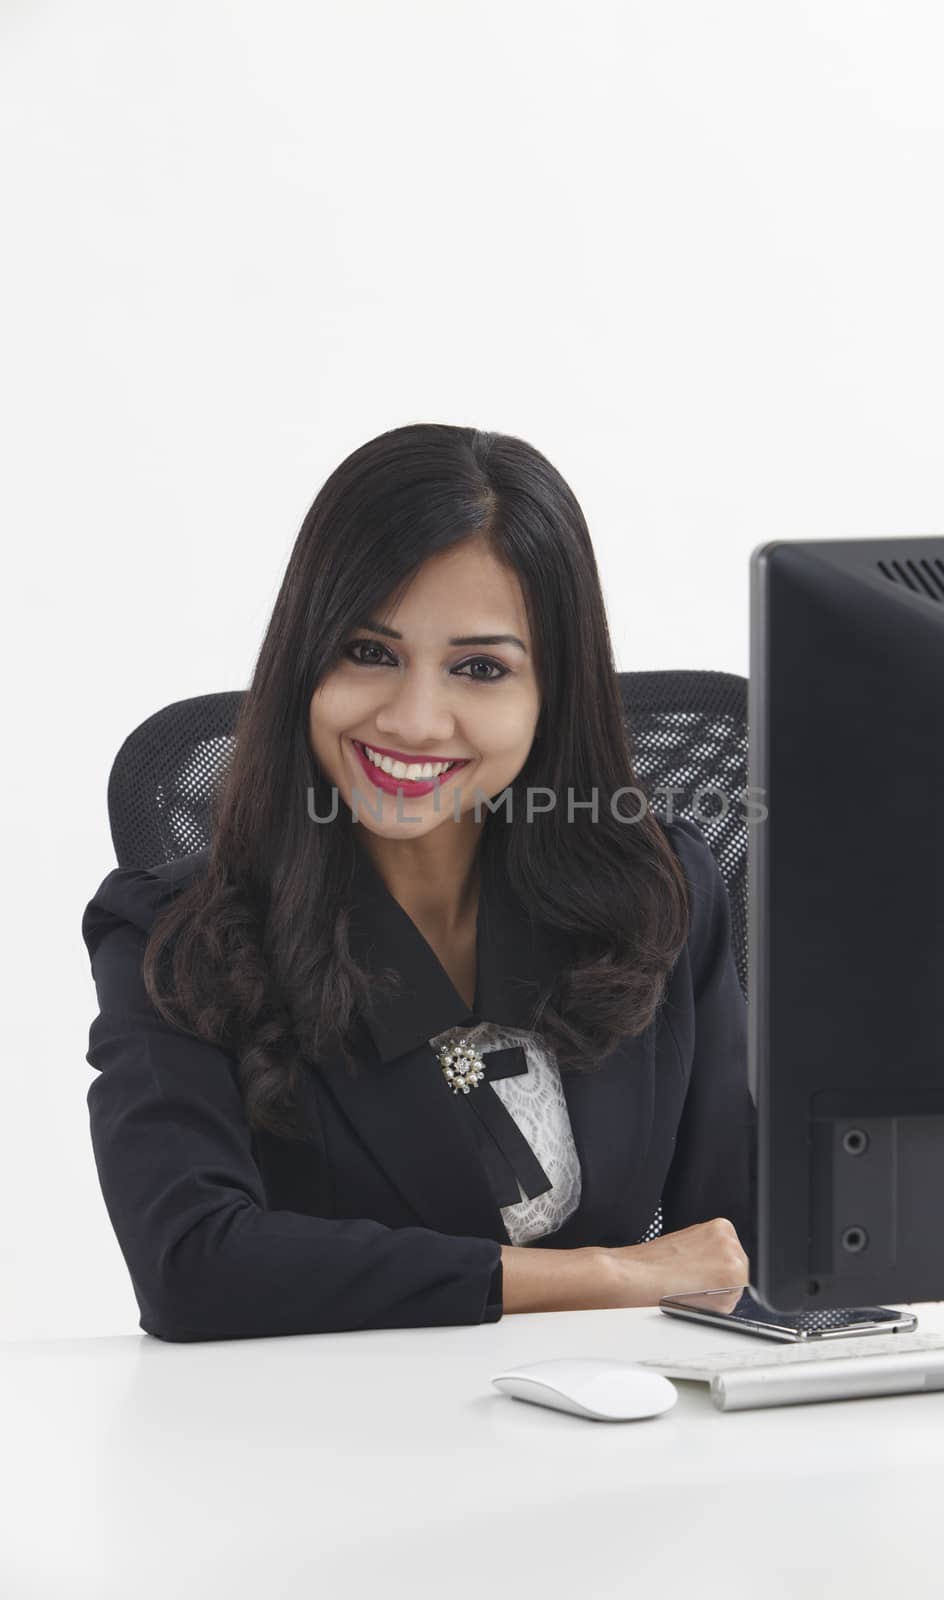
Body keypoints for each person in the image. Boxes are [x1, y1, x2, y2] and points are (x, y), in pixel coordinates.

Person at [81, 422, 755, 1343]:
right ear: (302, 662)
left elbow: (738, 1243)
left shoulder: (657, 890)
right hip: (319, 1454)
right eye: (368, 652)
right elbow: (193, 1268)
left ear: (551, 694)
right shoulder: (173, 935)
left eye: (480, 668)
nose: (414, 718)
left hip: (611, 1439)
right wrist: (599, 1275)